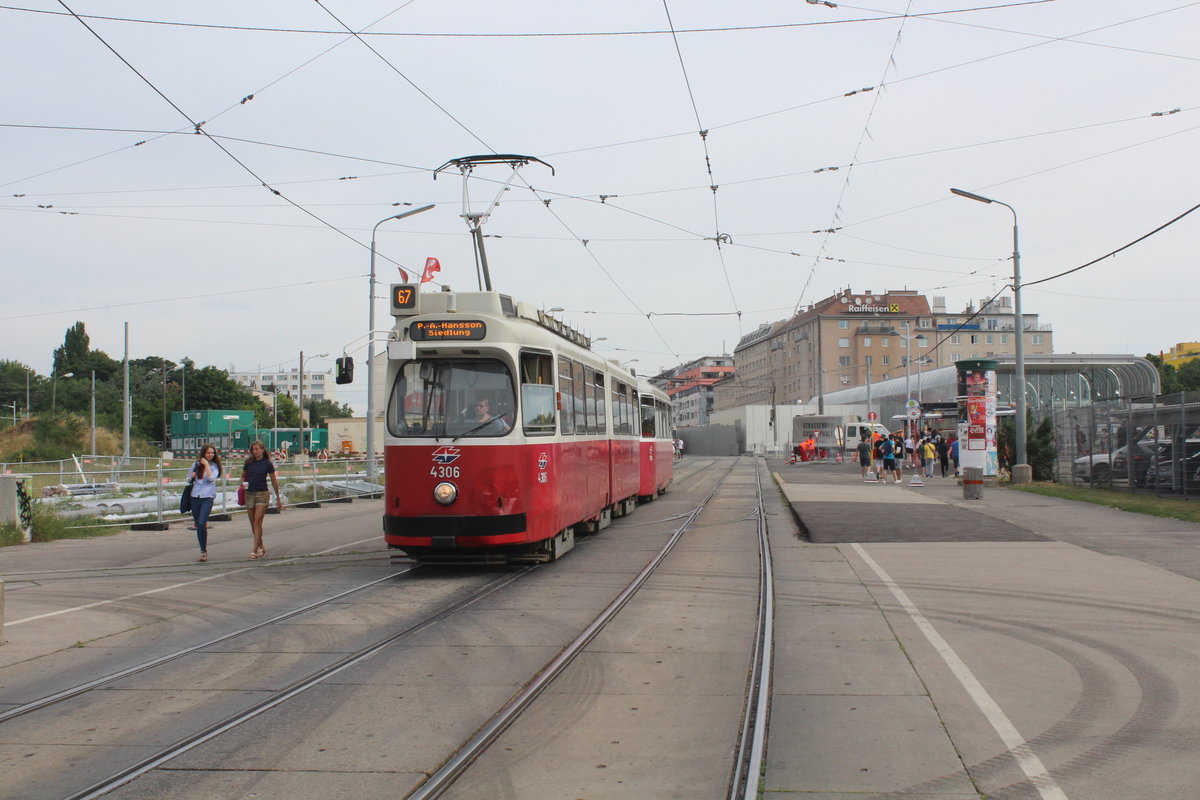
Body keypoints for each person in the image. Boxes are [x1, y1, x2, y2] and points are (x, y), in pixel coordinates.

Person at [241, 440, 283, 560]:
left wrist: (278, 498)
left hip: (262, 494)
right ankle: (261, 547)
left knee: (257, 521)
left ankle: (253, 551)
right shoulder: (248, 462)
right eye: (253, 450)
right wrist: (243, 483)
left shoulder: (267, 464)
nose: (254, 452)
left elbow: (274, 481)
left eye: (257, 449)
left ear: (262, 450)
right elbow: (243, 476)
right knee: (253, 524)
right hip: (249, 494)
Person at [187, 443, 221, 562]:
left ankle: (203, 551)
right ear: (203, 453)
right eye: (208, 453)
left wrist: (206, 464)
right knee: (198, 524)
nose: (210, 455)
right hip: (195, 497)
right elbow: (188, 478)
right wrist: (192, 476)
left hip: (207, 497)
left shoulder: (215, 466)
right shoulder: (195, 465)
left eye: (212, 453)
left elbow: (211, 479)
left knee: (202, 523)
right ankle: (203, 548)